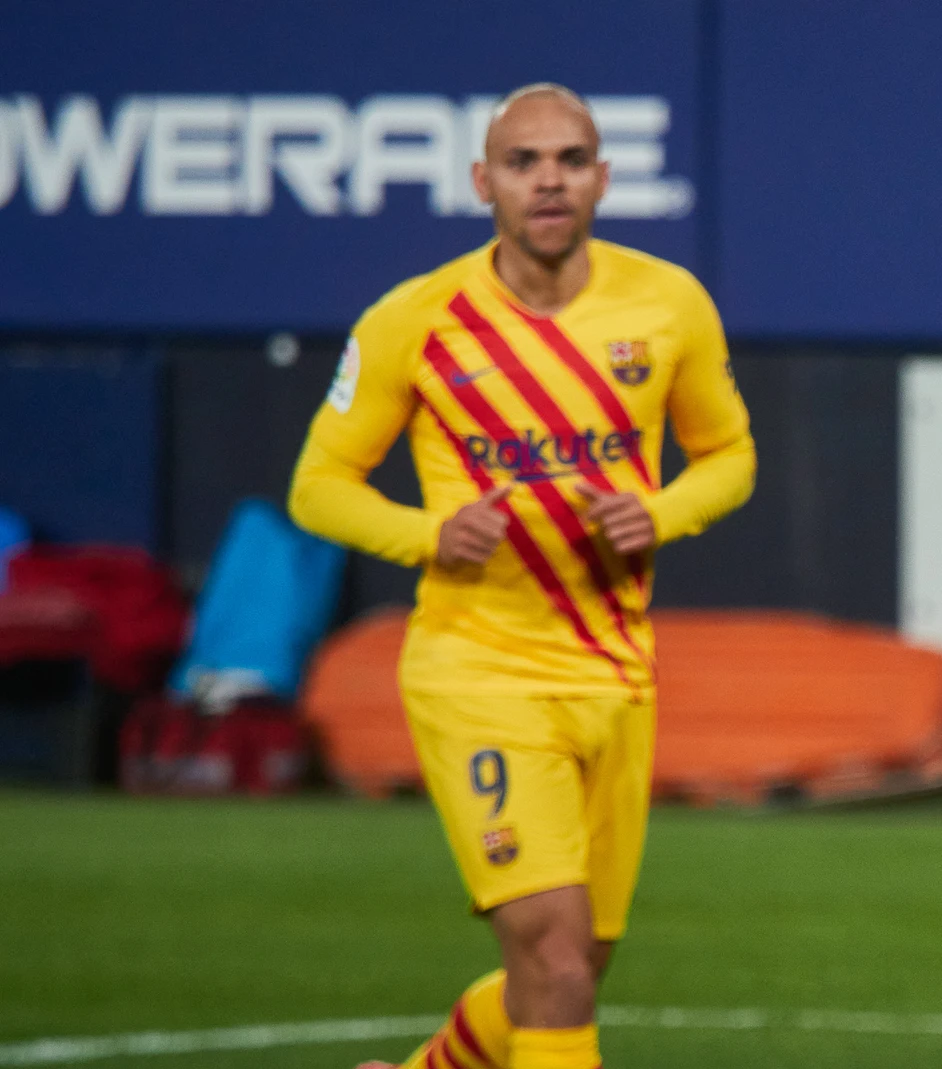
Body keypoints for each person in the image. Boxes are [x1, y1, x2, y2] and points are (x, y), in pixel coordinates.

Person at [287, 83, 756, 1069]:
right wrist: (426, 533)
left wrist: (661, 511)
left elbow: (730, 455)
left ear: (602, 177)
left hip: (615, 674)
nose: (549, 180)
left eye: (571, 159)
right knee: (552, 949)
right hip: (477, 669)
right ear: (482, 181)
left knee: (573, 957)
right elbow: (318, 488)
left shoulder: (668, 302)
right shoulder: (414, 319)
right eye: (524, 161)